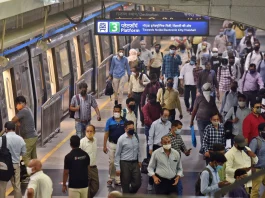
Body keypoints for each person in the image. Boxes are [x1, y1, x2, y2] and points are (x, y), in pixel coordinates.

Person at [0, 122, 26, 198]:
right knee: (17, 186)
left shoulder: (2, 139)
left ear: (6, 129)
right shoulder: (20, 139)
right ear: (14, 129)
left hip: (4, 166)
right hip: (15, 166)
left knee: (2, 187)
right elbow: (23, 153)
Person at [191, 83, 219, 153]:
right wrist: (191, 121)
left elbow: (215, 109)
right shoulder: (199, 98)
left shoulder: (211, 98)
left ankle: (203, 148)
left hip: (208, 119)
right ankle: (204, 150)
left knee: (205, 135)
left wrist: (219, 117)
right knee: (203, 135)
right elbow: (194, 110)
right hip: (201, 120)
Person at [147, 108, 172, 190]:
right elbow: (150, 136)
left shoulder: (169, 124)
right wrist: (150, 148)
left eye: (168, 116)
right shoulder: (155, 124)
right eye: (165, 115)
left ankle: (163, 183)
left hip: (166, 147)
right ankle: (150, 183)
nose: (166, 117)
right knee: (153, 165)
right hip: (156, 146)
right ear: (161, 115)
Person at [115, 121, 141, 194]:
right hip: (125, 163)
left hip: (135, 163)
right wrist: (117, 168)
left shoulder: (135, 137)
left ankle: (130, 194)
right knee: (125, 184)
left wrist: (140, 160)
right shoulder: (121, 139)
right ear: (125, 129)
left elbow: (138, 149)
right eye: (130, 128)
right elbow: (117, 154)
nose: (132, 130)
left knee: (137, 183)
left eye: (133, 128)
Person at [103, 105, 126, 186]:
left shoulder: (124, 121)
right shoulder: (109, 121)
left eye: (118, 111)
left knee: (119, 162)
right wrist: (104, 145)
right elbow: (106, 133)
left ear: (120, 112)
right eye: (115, 111)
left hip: (122, 146)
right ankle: (110, 177)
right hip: (112, 144)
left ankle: (118, 178)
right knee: (112, 162)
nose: (116, 113)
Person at [11, 96, 38, 166]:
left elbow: (13, 120)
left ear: (22, 103)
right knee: (33, 157)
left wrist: (15, 122)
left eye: (17, 104)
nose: (17, 106)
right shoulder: (27, 109)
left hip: (29, 138)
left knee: (25, 156)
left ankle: (30, 172)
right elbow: (19, 122)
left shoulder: (24, 111)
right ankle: (37, 171)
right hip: (32, 136)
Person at [168, 120, 191, 196]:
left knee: (179, 187)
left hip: (177, 165)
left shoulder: (178, 137)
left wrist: (186, 152)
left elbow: (183, 147)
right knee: (174, 186)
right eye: (178, 128)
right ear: (173, 127)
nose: (179, 130)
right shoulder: (167, 138)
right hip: (169, 165)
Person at [80, 125, 99, 198]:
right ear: (85, 132)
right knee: (86, 186)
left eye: (91, 131)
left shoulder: (95, 140)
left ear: (94, 132)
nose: (89, 133)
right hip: (85, 168)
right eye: (87, 131)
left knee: (95, 186)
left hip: (94, 167)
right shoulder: (82, 142)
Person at [142, 93, 162, 158]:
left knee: (157, 143)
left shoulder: (158, 105)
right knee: (150, 143)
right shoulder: (146, 107)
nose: (153, 101)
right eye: (151, 99)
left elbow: (161, 113)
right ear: (148, 100)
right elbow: (147, 118)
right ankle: (149, 159)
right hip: (149, 127)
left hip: (157, 127)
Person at [249, 123, 265, 198]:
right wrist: (251, 167)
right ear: (260, 131)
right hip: (258, 169)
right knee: (255, 190)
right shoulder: (255, 141)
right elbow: (249, 154)